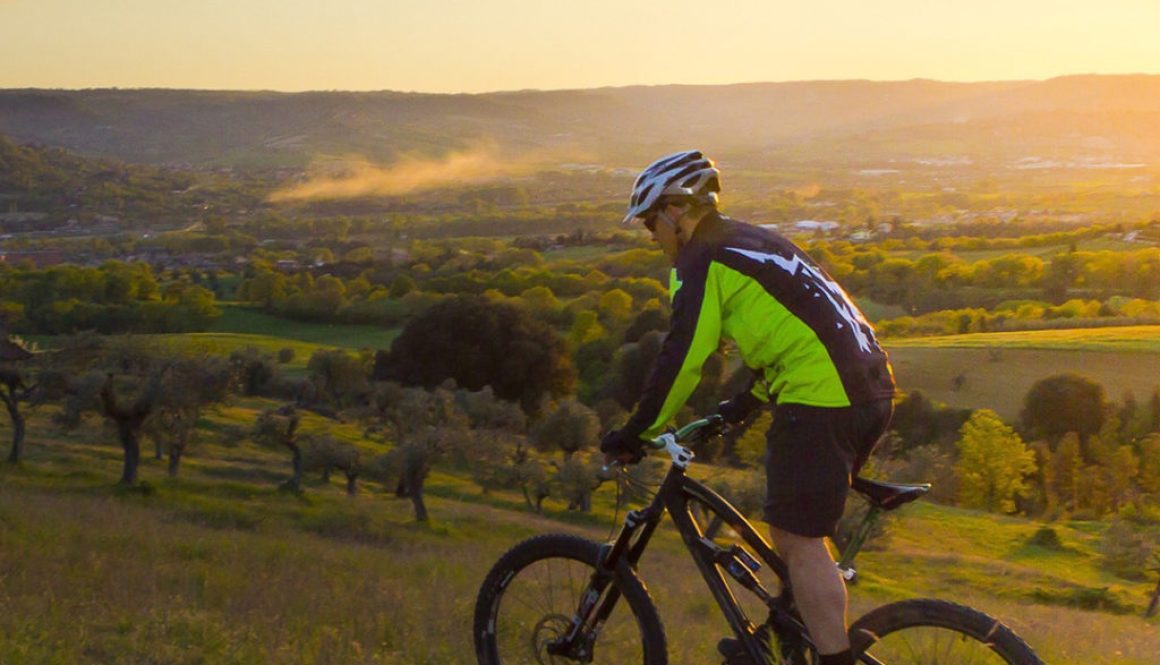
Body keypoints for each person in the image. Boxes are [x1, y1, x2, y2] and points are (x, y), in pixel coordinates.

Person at [600, 150, 896, 665]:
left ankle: (830, 658)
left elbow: (683, 356)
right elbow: (795, 330)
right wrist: (742, 404)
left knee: (799, 541)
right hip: (869, 387)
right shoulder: (753, 239)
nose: (650, 235)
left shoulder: (702, 260)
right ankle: (784, 636)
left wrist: (638, 431)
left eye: (650, 221)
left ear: (675, 211)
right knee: (792, 529)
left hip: (822, 397)